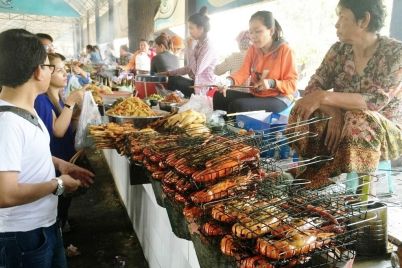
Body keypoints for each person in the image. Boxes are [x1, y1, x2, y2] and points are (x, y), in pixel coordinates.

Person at [0, 28, 94, 268]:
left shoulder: (25, 109)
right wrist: (59, 184)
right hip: (21, 236)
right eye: (48, 65)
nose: (51, 71)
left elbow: (29, 152)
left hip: (43, 225)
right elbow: (5, 194)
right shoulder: (7, 123)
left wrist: (60, 164)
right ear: (37, 72)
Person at [289, 0, 402, 189]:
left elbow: (375, 101)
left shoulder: (395, 54)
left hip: (384, 129)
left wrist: (325, 97)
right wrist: (332, 110)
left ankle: (362, 191)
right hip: (343, 116)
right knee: (304, 107)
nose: (336, 23)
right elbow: (312, 89)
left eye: (342, 16)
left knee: (357, 118)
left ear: (364, 20)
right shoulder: (339, 50)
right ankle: (313, 170)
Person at [34, 53, 85, 232]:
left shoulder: (57, 97)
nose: (65, 75)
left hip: (64, 158)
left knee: (64, 202)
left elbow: (65, 122)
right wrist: (71, 103)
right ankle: (61, 229)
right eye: (59, 70)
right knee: (58, 202)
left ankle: (63, 222)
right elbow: (58, 130)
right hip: (55, 160)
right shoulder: (42, 100)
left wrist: (78, 114)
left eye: (65, 70)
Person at [213, 11, 298, 113]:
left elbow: (292, 84)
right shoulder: (253, 49)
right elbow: (243, 72)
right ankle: (218, 126)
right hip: (258, 95)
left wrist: (272, 83)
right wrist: (228, 82)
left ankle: (232, 128)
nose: (253, 36)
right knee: (219, 96)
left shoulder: (285, 50)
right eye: (251, 32)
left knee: (239, 106)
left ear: (271, 31)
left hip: (279, 98)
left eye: (258, 31)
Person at [162, 6, 219, 97]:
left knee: (173, 82)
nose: (190, 32)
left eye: (191, 28)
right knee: (172, 78)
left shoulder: (208, 47)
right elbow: (189, 68)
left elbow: (196, 71)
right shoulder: (198, 45)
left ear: (201, 28)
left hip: (205, 88)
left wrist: (189, 48)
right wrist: (169, 73)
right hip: (197, 84)